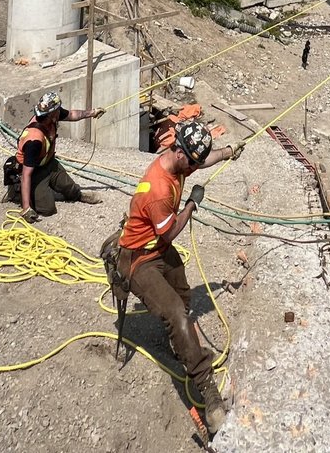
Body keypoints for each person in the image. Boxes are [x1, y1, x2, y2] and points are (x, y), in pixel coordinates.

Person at [116, 119, 244, 435]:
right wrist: (191, 204)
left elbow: (205, 160)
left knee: (182, 289)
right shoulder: (158, 189)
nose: (197, 166)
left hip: (156, 248)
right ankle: (208, 394)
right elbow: (171, 231)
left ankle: (180, 341)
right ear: (182, 153)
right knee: (177, 313)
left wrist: (228, 151)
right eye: (195, 162)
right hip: (138, 260)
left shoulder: (179, 162)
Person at [11, 91, 105, 219]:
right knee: (47, 209)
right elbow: (27, 174)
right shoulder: (34, 140)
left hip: (48, 164)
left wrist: (92, 112)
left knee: (69, 187)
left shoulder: (50, 116)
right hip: (34, 172)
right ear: (51, 114)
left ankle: (77, 195)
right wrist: (26, 208)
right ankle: (19, 193)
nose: (60, 111)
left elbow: (72, 114)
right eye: (58, 110)